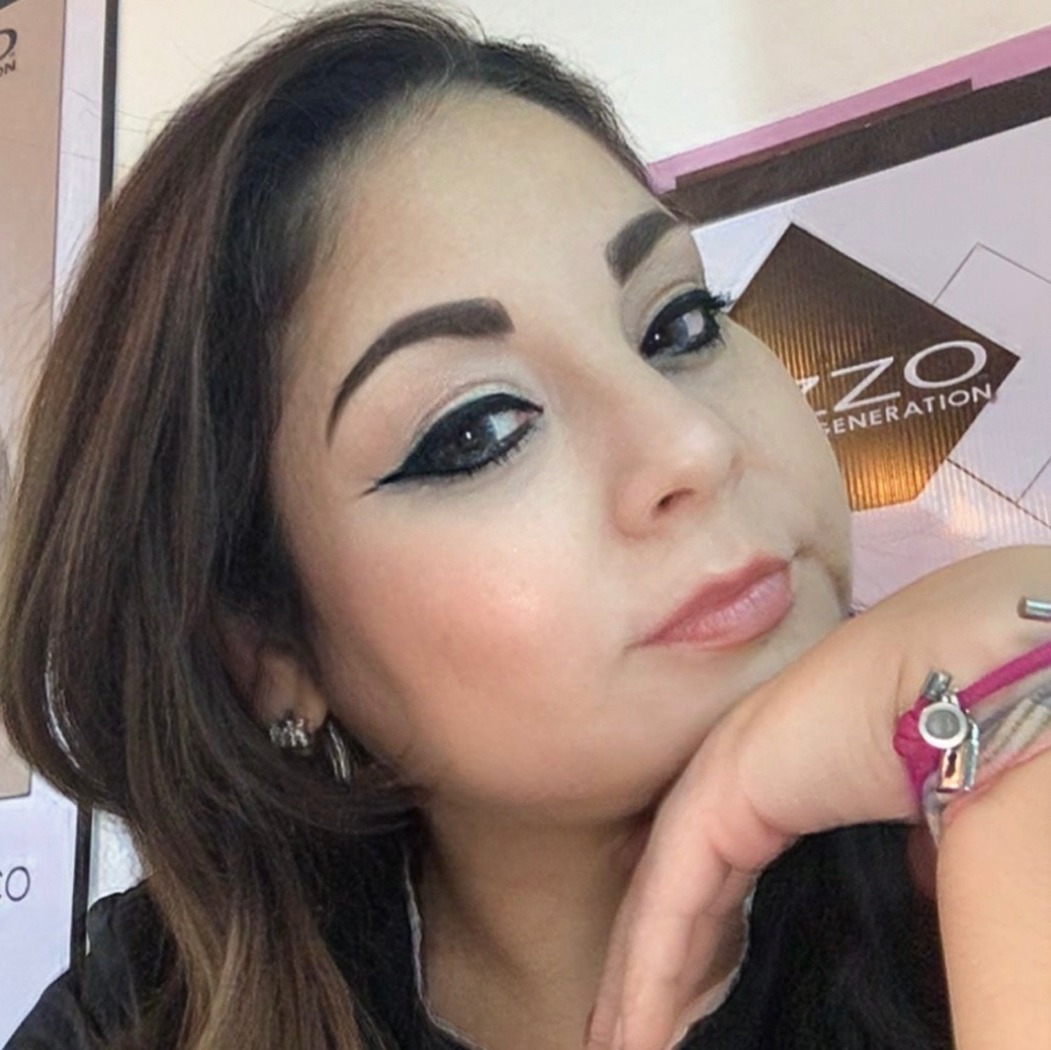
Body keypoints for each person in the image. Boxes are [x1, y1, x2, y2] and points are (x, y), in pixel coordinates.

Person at [2, 4, 1050, 1049]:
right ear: (269, 647)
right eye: (477, 430)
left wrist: (1017, 726)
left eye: (678, 324)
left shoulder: (989, 836)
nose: (691, 444)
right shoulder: (139, 1016)